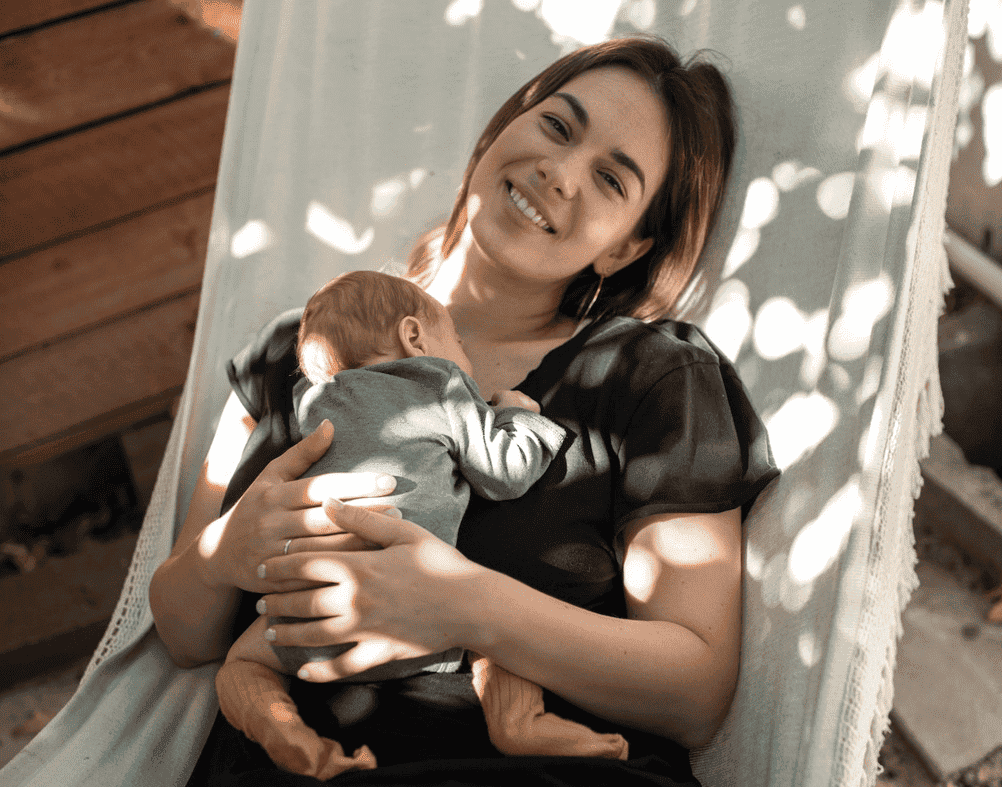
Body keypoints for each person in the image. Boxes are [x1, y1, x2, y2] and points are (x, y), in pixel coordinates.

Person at [149, 34, 780, 787]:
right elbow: (183, 631)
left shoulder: (650, 376)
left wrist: (465, 606)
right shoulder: (302, 344)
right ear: (503, 128)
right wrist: (230, 546)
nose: (559, 171)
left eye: (611, 179)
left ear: (626, 248)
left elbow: (697, 691)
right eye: (557, 126)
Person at [216, 270, 630, 780]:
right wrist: (518, 415)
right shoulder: (439, 385)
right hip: (421, 610)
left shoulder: (313, 404)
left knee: (243, 666)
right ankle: (520, 725)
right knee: (498, 639)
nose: (465, 354)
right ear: (415, 337)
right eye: (455, 339)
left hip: (313, 608)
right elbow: (506, 474)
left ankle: (291, 737)